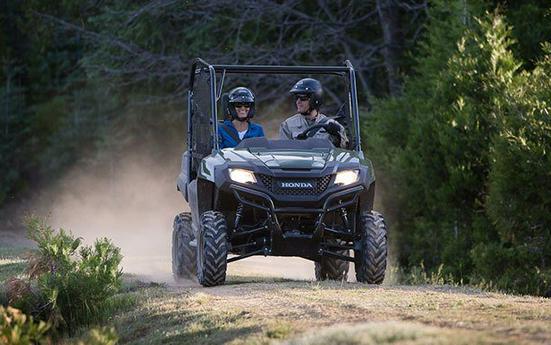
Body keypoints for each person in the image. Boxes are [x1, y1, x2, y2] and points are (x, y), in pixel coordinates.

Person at [279, 78, 348, 148]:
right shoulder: (287, 125)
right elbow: (284, 153)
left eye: (303, 98)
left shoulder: (332, 125)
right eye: (296, 98)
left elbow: (345, 152)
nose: (298, 102)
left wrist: (337, 136)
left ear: (315, 99)